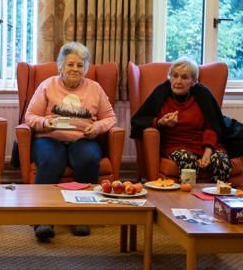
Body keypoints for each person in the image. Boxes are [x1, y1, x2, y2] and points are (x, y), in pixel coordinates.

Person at [24, 42, 116, 241]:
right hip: (49, 137)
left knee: (89, 159)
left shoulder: (95, 88)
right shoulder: (47, 85)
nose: (75, 69)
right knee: (50, 160)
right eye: (70, 64)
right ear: (61, 66)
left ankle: (80, 215)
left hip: (83, 138)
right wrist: (44, 122)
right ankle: (43, 220)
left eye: (80, 65)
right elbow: (30, 116)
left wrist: (97, 128)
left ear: (86, 68)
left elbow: (110, 117)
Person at [130, 56, 232, 183]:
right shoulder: (161, 92)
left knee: (221, 161)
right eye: (175, 75)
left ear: (193, 81)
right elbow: (139, 120)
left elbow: (212, 125)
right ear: (170, 76)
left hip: (203, 144)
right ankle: (188, 200)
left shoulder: (203, 94)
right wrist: (160, 122)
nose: (178, 81)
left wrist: (208, 150)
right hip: (174, 145)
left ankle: (216, 200)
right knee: (188, 160)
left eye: (184, 77)